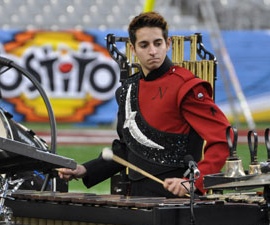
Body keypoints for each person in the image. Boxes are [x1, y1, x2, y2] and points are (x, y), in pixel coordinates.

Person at [58, 11, 231, 197]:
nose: (153, 51)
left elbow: (222, 137)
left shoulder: (186, 86)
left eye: (158, 43)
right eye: (144, 45)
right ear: (133, 49)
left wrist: (194, 182)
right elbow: (127, 149)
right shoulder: (127, 90)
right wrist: (86, 169)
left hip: (178, 200)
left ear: (168, 44)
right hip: (137, 198)